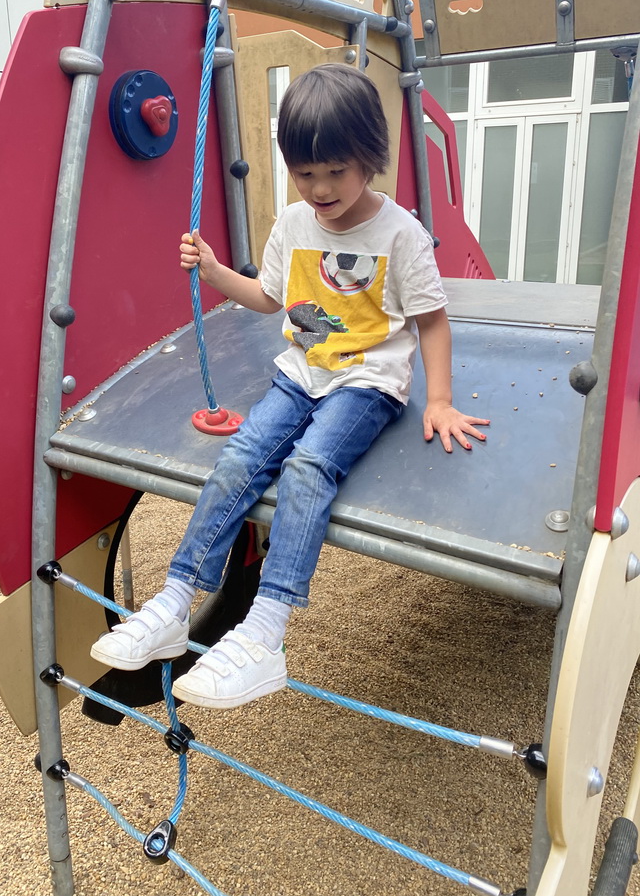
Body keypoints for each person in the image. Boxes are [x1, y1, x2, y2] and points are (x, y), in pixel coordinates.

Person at [91, 63, 489, 710]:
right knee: (240, 459)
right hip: (301, 372)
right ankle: (172, 601)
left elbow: (432, 322)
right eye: (306, 173)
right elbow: (269, 297)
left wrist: (438, 399)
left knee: (307, 469)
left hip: (365, 381)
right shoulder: (293, 224)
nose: (321, 187)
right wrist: (218, 272)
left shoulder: (401, 236)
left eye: (336, 170)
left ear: (371, 158)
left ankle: (266, 632)